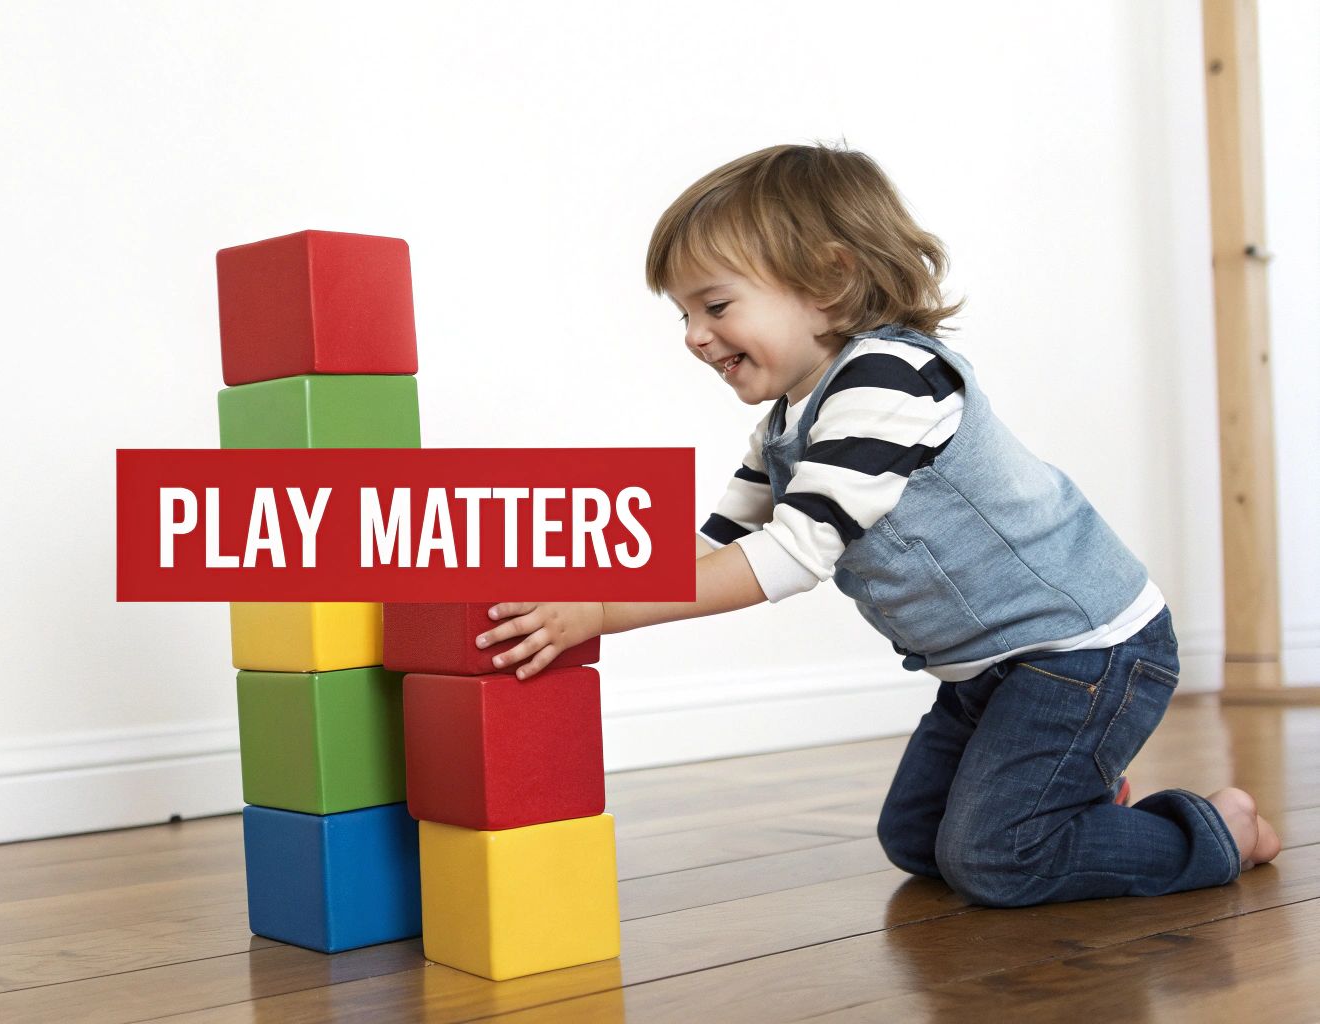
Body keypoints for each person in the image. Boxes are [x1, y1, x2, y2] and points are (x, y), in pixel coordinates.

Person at [474, 142, 1280, 908]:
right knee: (917, 839)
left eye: (715, 305)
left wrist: (605, 614)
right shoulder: (788, 425)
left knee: (995, 859)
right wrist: (582, 586)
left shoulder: (887, 382)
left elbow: (788, 557)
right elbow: (712, 545)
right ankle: (1081, 794)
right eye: (683, 314)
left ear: (828, 281)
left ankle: (1213, 833)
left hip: (1083, 650)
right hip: (985, 669)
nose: (693, 335)